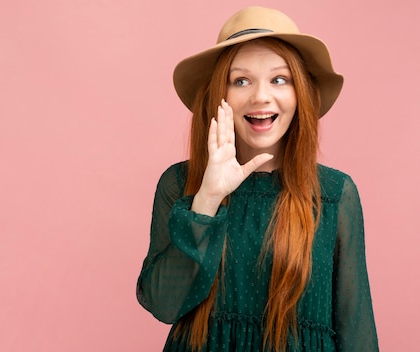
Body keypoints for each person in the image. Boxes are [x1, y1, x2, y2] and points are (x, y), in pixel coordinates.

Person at [136, 6, 378, 352]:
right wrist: (206, 199)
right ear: (220, 95)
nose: (261, 96)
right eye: (241, 80)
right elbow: (164, 304)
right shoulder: (180, 183)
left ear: (300, 95)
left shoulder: (335, 195)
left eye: (279, 79)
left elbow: (356, 329)